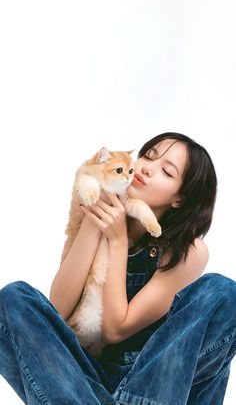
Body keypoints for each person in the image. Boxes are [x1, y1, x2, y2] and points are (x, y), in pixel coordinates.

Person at [0, 131, 235, 405]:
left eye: (166, 172)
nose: (147, 168)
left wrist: (118, 239)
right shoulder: (104, 212)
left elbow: (115, 328)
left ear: (179, 199)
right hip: (82, 384)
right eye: (149, 155)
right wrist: (93, 221)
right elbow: (59, 311)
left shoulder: (188, 250)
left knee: (222, 292)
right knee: (14, 297)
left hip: (151, 385)